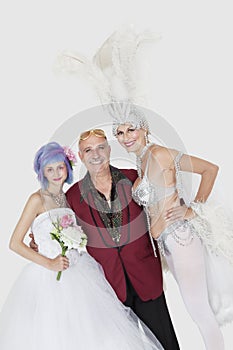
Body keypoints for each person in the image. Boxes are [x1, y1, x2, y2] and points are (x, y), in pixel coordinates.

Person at [0, 141, 165, 350]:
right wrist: (48, 261)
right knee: (59, 333)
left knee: (97, 332)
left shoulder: (68, 198)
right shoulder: (36, 200)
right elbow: (14, 243)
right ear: (42, 172)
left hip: (79, 268)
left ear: (67, 168)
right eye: (49, 169)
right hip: (51, 275)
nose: (56, 173)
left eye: (60, 167)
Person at [113, 101, 233, 350]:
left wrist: (193, 209)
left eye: (131, 130)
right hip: (166, 244)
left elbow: (210, 169)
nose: (125, 138)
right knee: (196, 311)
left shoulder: (160, 154)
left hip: (181, 239)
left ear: (144, 129)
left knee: (199, 311)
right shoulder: (142, 161)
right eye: (120, 132)